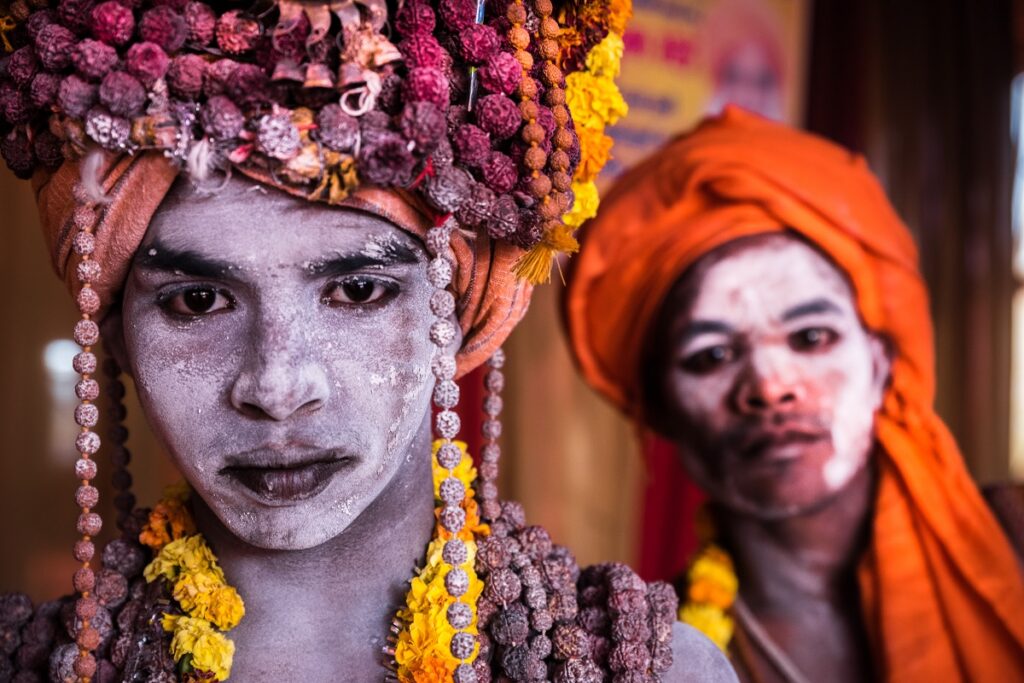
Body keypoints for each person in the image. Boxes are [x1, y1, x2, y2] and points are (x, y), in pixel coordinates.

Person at [0, 0, 737, 681]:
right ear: (119, 331)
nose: (277, 385)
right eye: (198, 300)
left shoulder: (653, 669)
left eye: (357, 290)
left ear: (461, 312)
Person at [563, 106, 1024, 682]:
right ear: (661, 409)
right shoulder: (663, 656)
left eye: (811, 336)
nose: (769, 386)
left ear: (882, 361)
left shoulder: (1014, 541)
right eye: (711, 356)